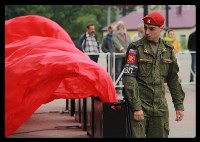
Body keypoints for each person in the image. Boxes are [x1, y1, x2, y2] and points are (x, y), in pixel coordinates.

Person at [123, 12, 185, 138]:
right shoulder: (135, 48)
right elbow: (129, 79)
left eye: (152, 29)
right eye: (145, 27)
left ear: (161, 29)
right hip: (140, 105)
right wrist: (136, 106)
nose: (147, 32)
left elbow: (173, 79)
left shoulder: (168, 49)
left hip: (160, 107)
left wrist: (179, 105)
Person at [112, 20, 131, 92]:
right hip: (119, 55)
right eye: (120, 25)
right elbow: (117, 43)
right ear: (118, 26)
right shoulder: (115, 34)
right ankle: (117, 87)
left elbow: (130, 42)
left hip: (126, 55)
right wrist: (122, 50)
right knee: (118, 71)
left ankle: (124, 86)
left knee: (125, 71)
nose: (121, 27)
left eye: (122, 25)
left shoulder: (126, 33)